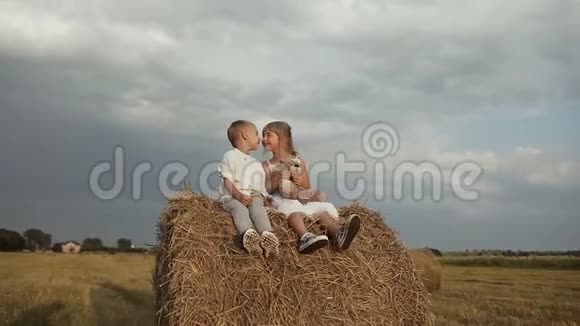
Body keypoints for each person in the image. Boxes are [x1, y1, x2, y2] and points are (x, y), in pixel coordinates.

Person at [261, 121, 361, 254]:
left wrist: (299, 181)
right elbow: (266, 188)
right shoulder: (267, 165)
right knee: (294, 212)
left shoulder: (298, 160)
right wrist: (278, 178)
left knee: (321, 212)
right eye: (263, 136)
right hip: (282, 201)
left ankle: (338, 234)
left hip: (301, 198)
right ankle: (305, 237)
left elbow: (307, 186)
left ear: (283, 138)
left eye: (268, 135)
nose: (264, 139)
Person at [217, 120, 279, 257]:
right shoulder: (230, 156)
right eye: (257, 133)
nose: (260, 138)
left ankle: (266, 234)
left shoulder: (255, 163)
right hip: (232, 196)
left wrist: (265, 199)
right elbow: (227, 180)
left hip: (252, 195)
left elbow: (259, 188)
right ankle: (248, 233)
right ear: (245, 134)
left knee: (258, 209)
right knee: (239, 209)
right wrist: (238, 195)